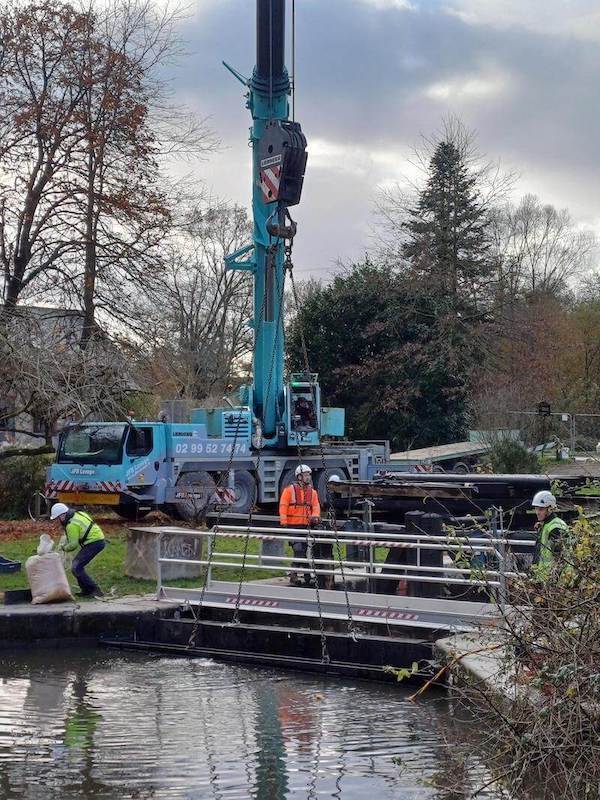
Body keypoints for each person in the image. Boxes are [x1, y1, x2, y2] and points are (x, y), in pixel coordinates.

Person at [50, 503, 106, 597]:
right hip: (98, 540)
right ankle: (86, 590)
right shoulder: (78, 514)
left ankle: (95, 590)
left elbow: (73, 545)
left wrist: (64, 548)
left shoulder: (71, 524)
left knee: (76, 567)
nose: (57, 521)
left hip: (94, 543)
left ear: (62, 515)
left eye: (57, 519)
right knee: (77, 567)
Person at [279, 465, 320, 586]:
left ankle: (302, 574)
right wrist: (283, 521)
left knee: (303, 550)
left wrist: (315, 516)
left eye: (309, 475)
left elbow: (316, 506)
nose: (308, 477)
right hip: (292, 526)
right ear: (299, 477)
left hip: (306, 526)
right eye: (306, 475)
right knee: (298, 550)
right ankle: (298, 574)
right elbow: (283, 505)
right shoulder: (289, 490)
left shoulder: (312, 492)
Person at [530, 490, 569, 580]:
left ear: (550, 509)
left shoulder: (556, 528)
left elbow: (561, 558)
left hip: (554, 580)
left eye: (541, 509)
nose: (537, 512)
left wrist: (554, 580)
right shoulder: (546, 525)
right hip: (544, 578)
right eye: (536, 508)